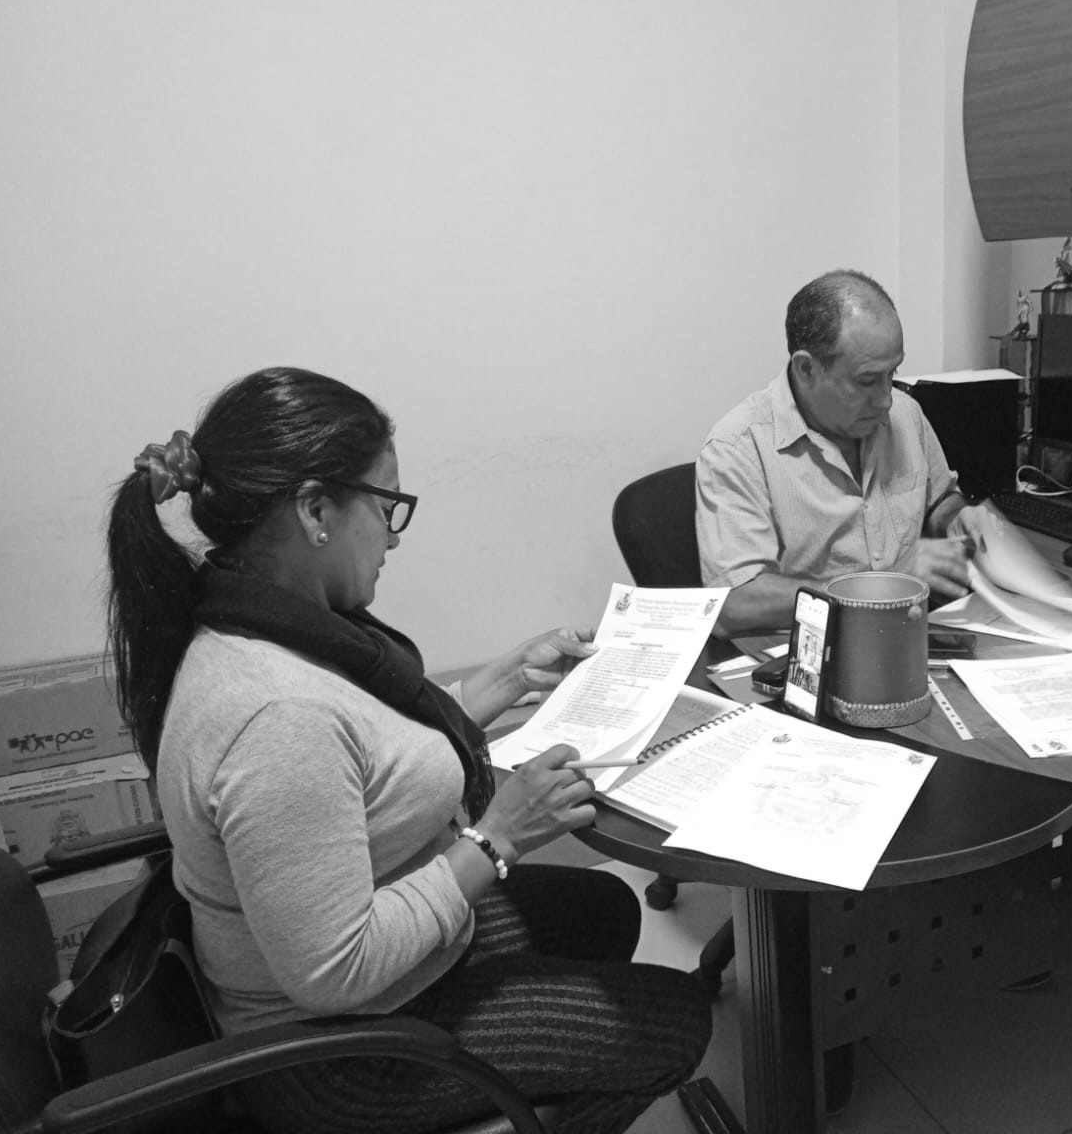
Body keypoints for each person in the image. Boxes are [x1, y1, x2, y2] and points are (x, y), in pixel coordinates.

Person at [105, 367, 711, 1134]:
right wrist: (497, 840)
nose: (393, 537)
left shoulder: (270, 617)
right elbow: (336, 971)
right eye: (385, 505)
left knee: (607, 911)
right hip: (336, 1056)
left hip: (383, 974)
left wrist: (508, 680)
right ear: (316, 510)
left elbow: (368, 748)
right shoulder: (276, 716)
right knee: (677, 1022)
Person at [695, 268, 990, 634]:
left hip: (912, 636)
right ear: (806, 369)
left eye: (892, 373)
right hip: (815, 651)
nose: (885, 399)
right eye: (867, 381)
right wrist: (883, 585)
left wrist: (957, 519)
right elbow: (736, 604)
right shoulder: (738, 447)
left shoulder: (905, 413)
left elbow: (939, 499)